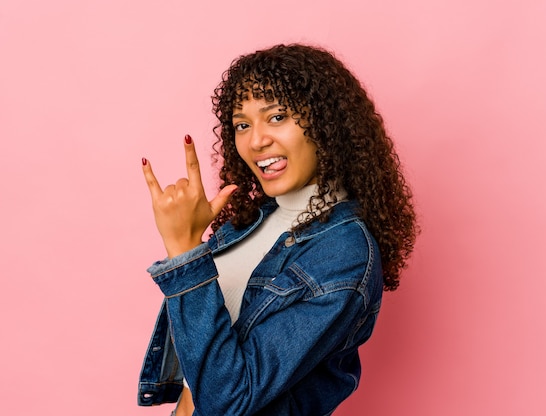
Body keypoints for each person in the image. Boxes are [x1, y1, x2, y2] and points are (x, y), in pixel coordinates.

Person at [137, 43, 418, 415]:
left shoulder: (345, 253)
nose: (255, 141)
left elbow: (229, 400)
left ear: (326, 123)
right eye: (242, 124)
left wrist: (186, 251)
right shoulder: (250, 223)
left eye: (276, 117)